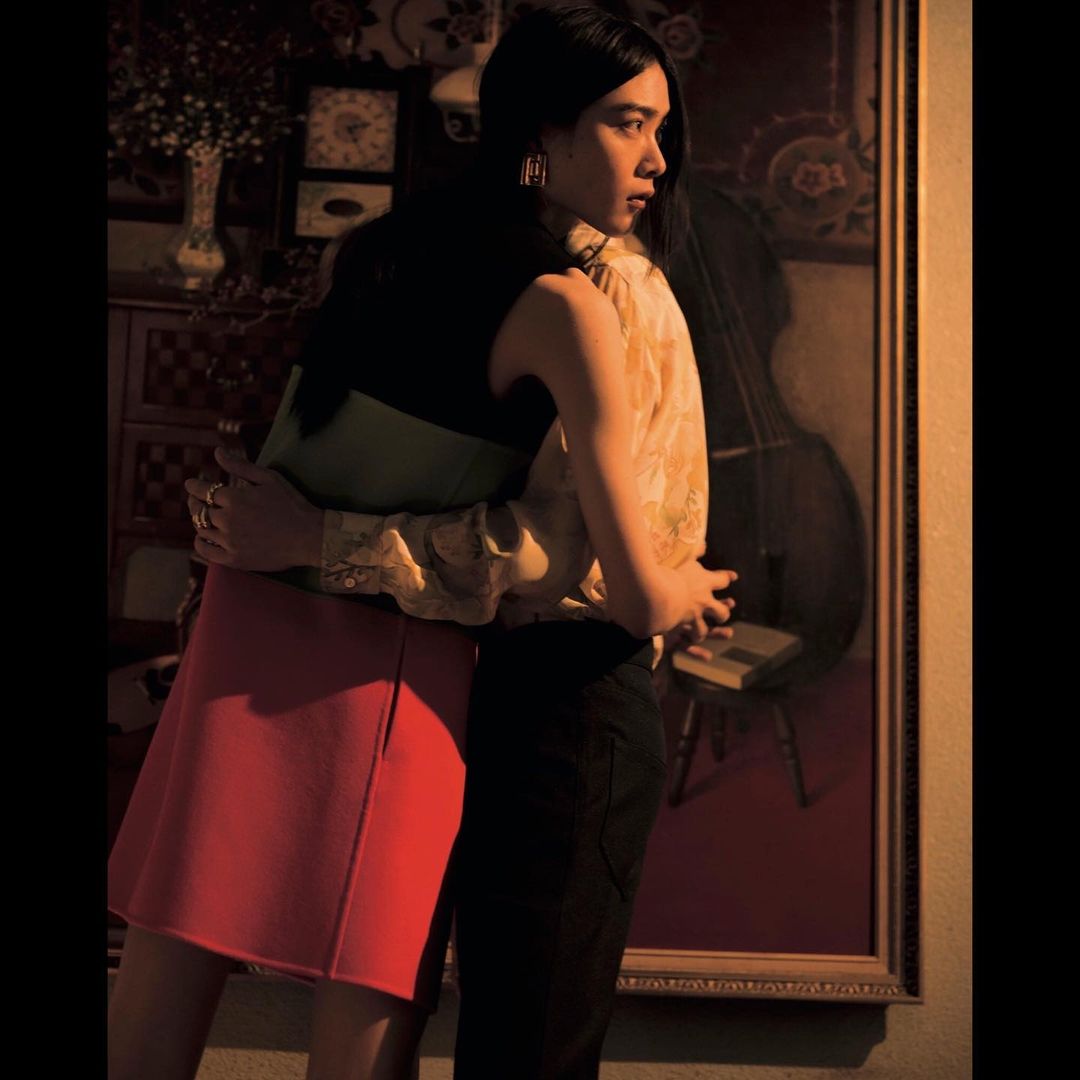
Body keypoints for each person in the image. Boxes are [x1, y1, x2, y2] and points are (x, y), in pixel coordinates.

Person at [107, 6, 734, 1079]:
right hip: (408, 665)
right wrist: (686, 587)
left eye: (659, 128)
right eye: (629, 123)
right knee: (377, 1029)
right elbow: (621, 587)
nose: (658, 159)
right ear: (543, 127)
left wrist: (278, 533)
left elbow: (291, 457)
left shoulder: (374, 250)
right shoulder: (584, 302)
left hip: (262, 633)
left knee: (162, 995)